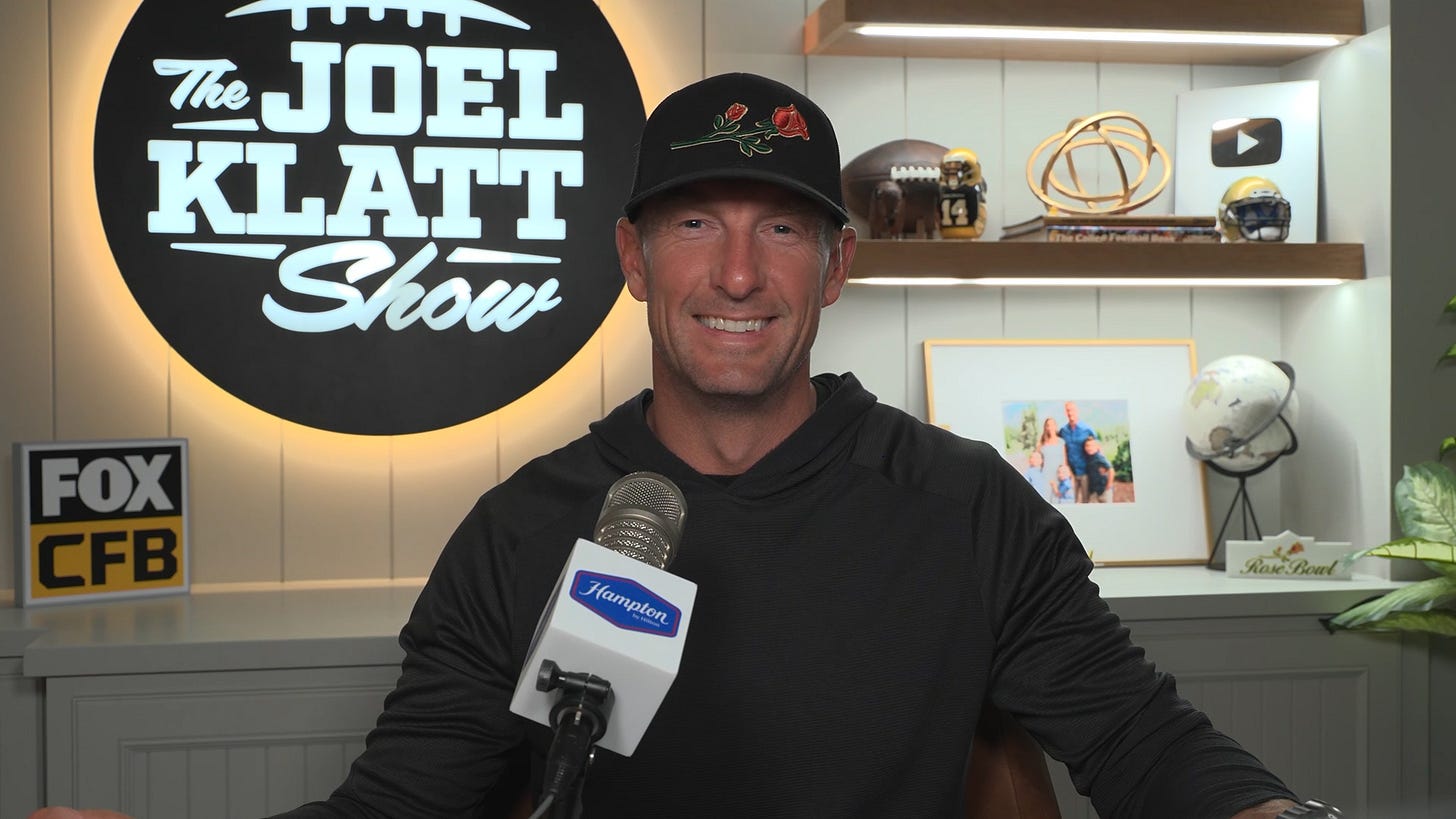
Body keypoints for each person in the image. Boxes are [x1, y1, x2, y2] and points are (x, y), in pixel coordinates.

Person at [32, 73, 1306, 819]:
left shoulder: (965, 504)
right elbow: (399, 806)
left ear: (837, 268)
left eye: (782, 230)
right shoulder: (524, 528)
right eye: (695, 224)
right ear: (633, 261)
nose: (737, 274)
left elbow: (1141, 741)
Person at [1059, 401, 1099, 503]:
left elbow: (1097, 448)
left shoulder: (1087, 429)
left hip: (1086, 472)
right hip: (1070, 473)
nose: (1070, 413)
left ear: (1077, 411)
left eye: (1072, 410)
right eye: (1068, 410)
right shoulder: (1063, 431)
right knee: (1071, 501)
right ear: (1065, 412)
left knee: (1085, 501)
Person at [1037, 416, 1066, 492]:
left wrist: (1065, 475)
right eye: (1048, 425)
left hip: (1059, 475)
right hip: (1046, 475)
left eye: (1052, 425)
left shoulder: (1061, 442)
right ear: (1045, 428)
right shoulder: (1042, 444)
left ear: (1055, 426)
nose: (1050, 427)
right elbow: (1038, 462)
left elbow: (1064, 460)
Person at [1084, 437, 1116, 503]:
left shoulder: (1099, 457)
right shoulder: (1089, 457)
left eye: (1092, 446)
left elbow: (1111, 469)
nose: (1089, 448)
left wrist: (1109, 484)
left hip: (1104, 489)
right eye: (1087, 446)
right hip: (1094, 490)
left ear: (1097, 447)